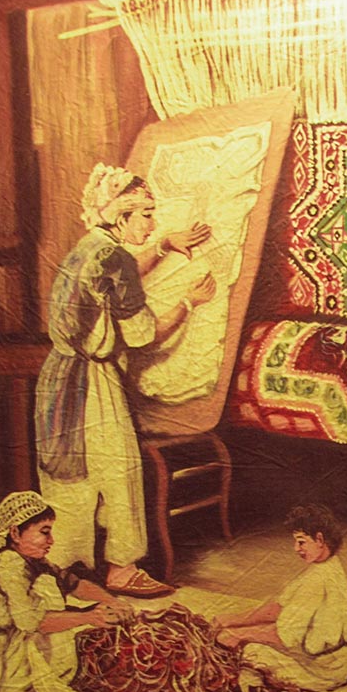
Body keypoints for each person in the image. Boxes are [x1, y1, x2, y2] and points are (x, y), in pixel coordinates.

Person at [36, 164, 217, 600]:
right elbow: (143, 334)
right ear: (121, 217)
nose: (153, 224)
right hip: (90, 383)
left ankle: (62, 567)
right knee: (119, 472)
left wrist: (164, 246)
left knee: (72, 476)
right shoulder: (113, 258)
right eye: (147, 215)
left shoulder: (89, 248)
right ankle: (120, 569)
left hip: (58, 379)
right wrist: (189, 302)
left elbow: (119, 273)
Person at [0, 490, 156, 692]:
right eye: (44, 532)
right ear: (15, 533)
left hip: (19, 638)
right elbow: (33, 622)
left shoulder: (34, 561)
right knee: (50, 598)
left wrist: (111, 600)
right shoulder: (10, 566)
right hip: (0, 652)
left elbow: (74, 584)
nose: (51, 541)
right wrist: (89, 617)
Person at [215, 505, 347, 692]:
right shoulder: (328, 565)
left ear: (319, 539)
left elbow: (284, 636)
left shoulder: (317, 581)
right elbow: (278, 608)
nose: (296, 548)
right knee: (243, 634)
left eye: (301, 542)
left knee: (249, 650)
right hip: (331, 662)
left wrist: (239, 635)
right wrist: (232, 620)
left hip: (322, 673)